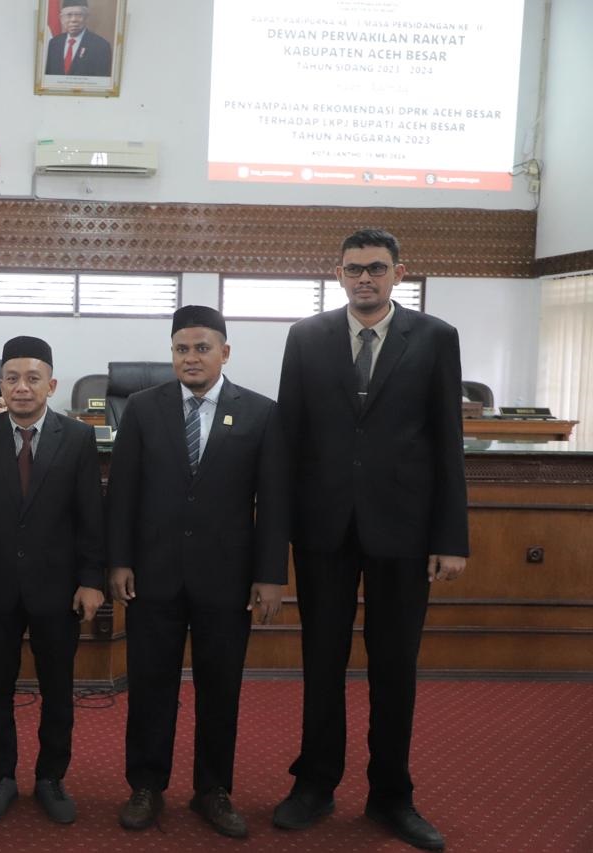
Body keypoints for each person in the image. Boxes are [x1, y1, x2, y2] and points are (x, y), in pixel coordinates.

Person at [273, 229, 468, 851]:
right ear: (338, 274)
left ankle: (391, 794)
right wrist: (276, 542)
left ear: (397, 273)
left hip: (404, 532)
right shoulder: (305, 339)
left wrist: (450, 536)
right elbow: (288, 443)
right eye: (354, 269)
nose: (365, 278)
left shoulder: (435, 338)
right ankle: (315, 784)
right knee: (321, 664)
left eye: (376, 269)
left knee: (394, 669)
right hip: (323, 529)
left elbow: (446, 442)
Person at [106, 305, 289, 839]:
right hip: (152, 576)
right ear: (172, 353)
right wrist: (118, 560)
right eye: (182, 348)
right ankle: (146, 786)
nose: (191, 357)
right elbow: (122, 496)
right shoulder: (141, 409)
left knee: (221, 688)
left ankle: (213, 789)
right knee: (150, 686)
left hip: (227, 580)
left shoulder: (261, 413)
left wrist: (270, 574)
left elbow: (273, 502)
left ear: (225, 352)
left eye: (202, 347)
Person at [0, 336, 104, 824]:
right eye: (12, 378)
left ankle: (50, 778)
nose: (22, 387)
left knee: (58, 689)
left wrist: (90, 580)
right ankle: (1, 777)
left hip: (57, 590)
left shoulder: (77, 439)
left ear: (51, 384)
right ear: (0, 384)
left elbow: (90, 520)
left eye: (33, 378)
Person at [44, 0, 113, 77]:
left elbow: (101, 82)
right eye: (68, 15)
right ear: (61, 18)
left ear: (86, 18)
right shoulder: (54, 43)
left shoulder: (101, 46)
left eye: (79, 15)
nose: (73, 20)